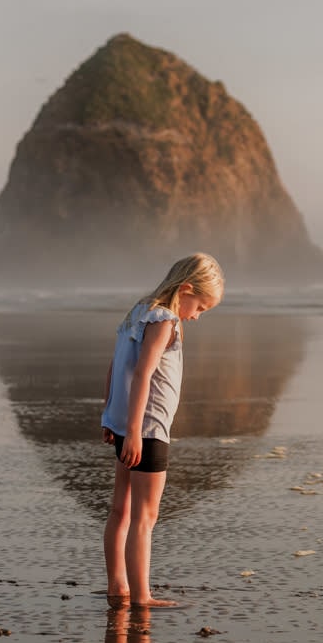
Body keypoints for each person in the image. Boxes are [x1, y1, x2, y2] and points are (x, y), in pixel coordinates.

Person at [100, 253, 224, 608]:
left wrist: (110, 417)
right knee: (145, 516)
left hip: (126, 423)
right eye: (199, 306)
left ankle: (117, 587)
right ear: (185, 289)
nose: (197, 316)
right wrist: (138, 431)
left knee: (120, 509)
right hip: (148, 429)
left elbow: (115, 365)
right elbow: (143, 373)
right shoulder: (165, 320)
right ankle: (141, 596)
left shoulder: (138, 311)